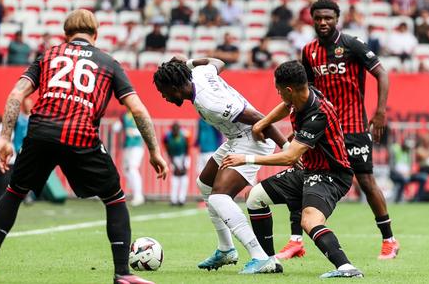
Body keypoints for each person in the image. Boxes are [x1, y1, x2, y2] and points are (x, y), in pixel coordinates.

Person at [0, 9, 169, 284]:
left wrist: (4, 137)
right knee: (114, 199)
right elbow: (138, 110)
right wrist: (155, 151)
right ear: (95, 35)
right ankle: (122, 273)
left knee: (15, 192)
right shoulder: (108, 63)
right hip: (81, 136)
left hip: (40, 134)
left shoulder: (48, 55)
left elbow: (16, 95)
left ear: (66, 35)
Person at [223, 61, 364, 278]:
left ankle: (346, 268)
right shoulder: (304, 93)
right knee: (254, 197)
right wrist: (262, 123)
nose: (278, 94)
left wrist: (246, 158)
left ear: (288, 90)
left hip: (331, 175)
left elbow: (290, 156)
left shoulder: (318, 114)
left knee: (309, 221)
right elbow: (286, 106)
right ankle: (267, 262)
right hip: (309, 169)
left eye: (279, 90)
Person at [284, 0, 398, 260]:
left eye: (328, 18)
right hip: (322, 127)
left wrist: (380, 112)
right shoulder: (308, 51)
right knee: (304, 176)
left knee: (366, 181)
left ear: (337, 19)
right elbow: (306, 93)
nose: (323, 22)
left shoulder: (352, 45)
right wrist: (299, 125)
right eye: (318, 18)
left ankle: (389, 240)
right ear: (311, 20)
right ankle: (295, 241)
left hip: (354, 126)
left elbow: (383, 74)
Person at [153, 57, 286, 273]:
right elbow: (218, 62)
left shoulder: (209, 102)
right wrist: (189, 62)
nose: (163, 97)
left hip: (251, 140)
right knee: (205, 184)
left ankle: (261, 257)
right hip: (236, 139)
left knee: (219, 196)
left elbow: (258, 117)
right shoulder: (199, 74)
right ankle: (226, 249)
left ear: (175, 88)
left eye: (163, 91)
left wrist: (287, 147)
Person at [120, 111, 145, 206]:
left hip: (137, 146)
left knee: (133, 168)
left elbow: (144, 128)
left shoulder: (139, 113)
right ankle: (134, 190)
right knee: (126, 169)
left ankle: (138, 196)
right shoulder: (124, 116)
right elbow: (120, 126)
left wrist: (135, 132)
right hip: (127, 145)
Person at [163, 122, 190, 206]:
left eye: (177, 131)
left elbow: (187, 148)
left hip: (184, 156)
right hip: (173, 157)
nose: (175, 133)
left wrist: (183, 164)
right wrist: (175, 165)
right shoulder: (166, 137)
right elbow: (168, 151)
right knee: (175, 176)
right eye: (174, 131)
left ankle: (182, 199)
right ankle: (173, 199)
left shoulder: (185, 135)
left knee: (184, 176)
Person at [389, 137, 413, 203]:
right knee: (403, 180)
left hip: (406, 174)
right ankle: (398, 199)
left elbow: (410, 165)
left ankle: (417, 199)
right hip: (395, 173)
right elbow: (392, 166)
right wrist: (401, 173)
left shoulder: (408, 153)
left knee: (422, 178)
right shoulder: (396, 150)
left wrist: (408, 173)